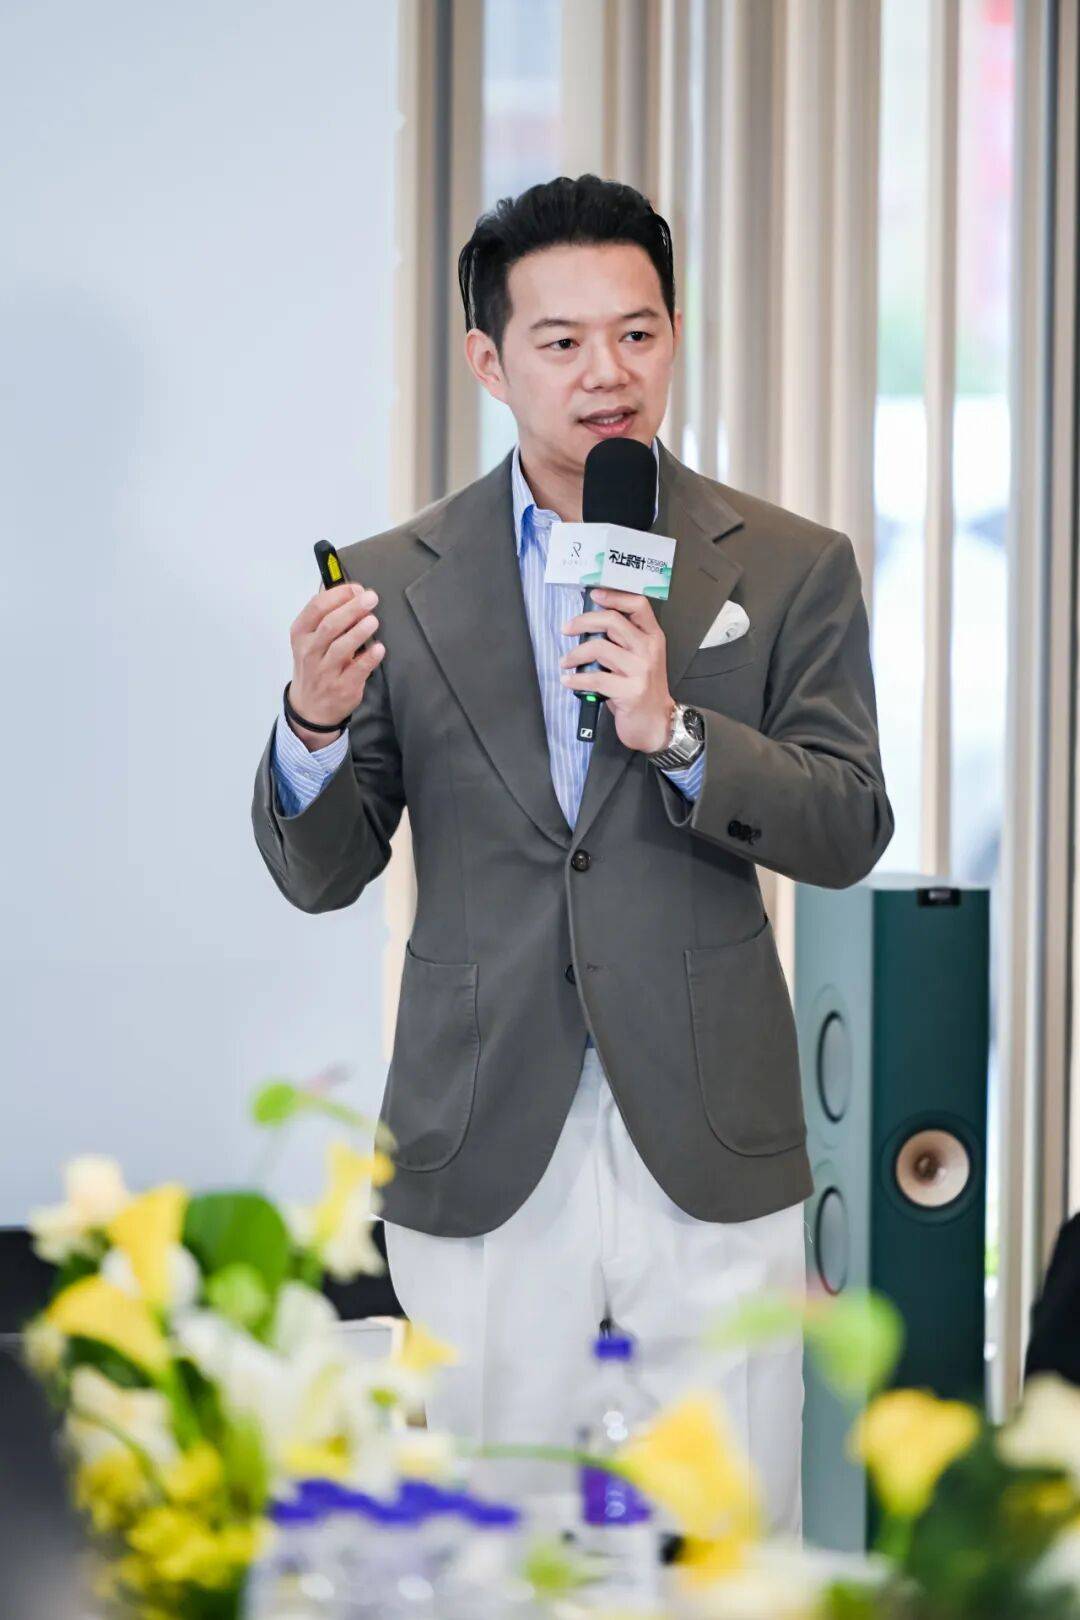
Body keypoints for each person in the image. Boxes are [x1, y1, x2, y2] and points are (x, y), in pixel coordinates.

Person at [251, 174, 894, 1535]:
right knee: (496, 1533)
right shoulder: (389, 579)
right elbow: (324, 873)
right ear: (490, 361)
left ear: (675, 336)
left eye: (638, 332)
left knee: (731, 1536)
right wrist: (312, 725)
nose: (609, 371)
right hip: (484, 1120)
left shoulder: (788, 564)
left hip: (710, 1121)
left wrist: (677, 732)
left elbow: (847, 824)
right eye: (562, 341)